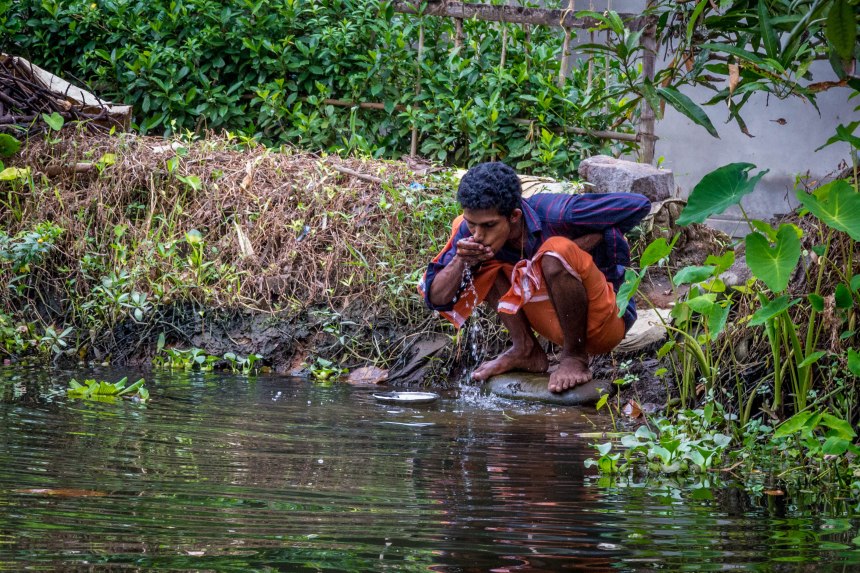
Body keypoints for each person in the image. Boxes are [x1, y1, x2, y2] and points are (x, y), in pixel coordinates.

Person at [419, 162, 650, 393]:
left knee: (555, 252)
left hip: (605, 320)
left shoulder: (559, 213)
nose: (478, 235)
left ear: (514, 215)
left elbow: (639, 205)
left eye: (489, 225)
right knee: (479, 254)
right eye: (473, 224)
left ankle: (574, 357)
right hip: (550, 317)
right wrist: (462, 260)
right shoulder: (471, 233)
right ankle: (525, 348)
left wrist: (575, 247)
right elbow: (437, 297)